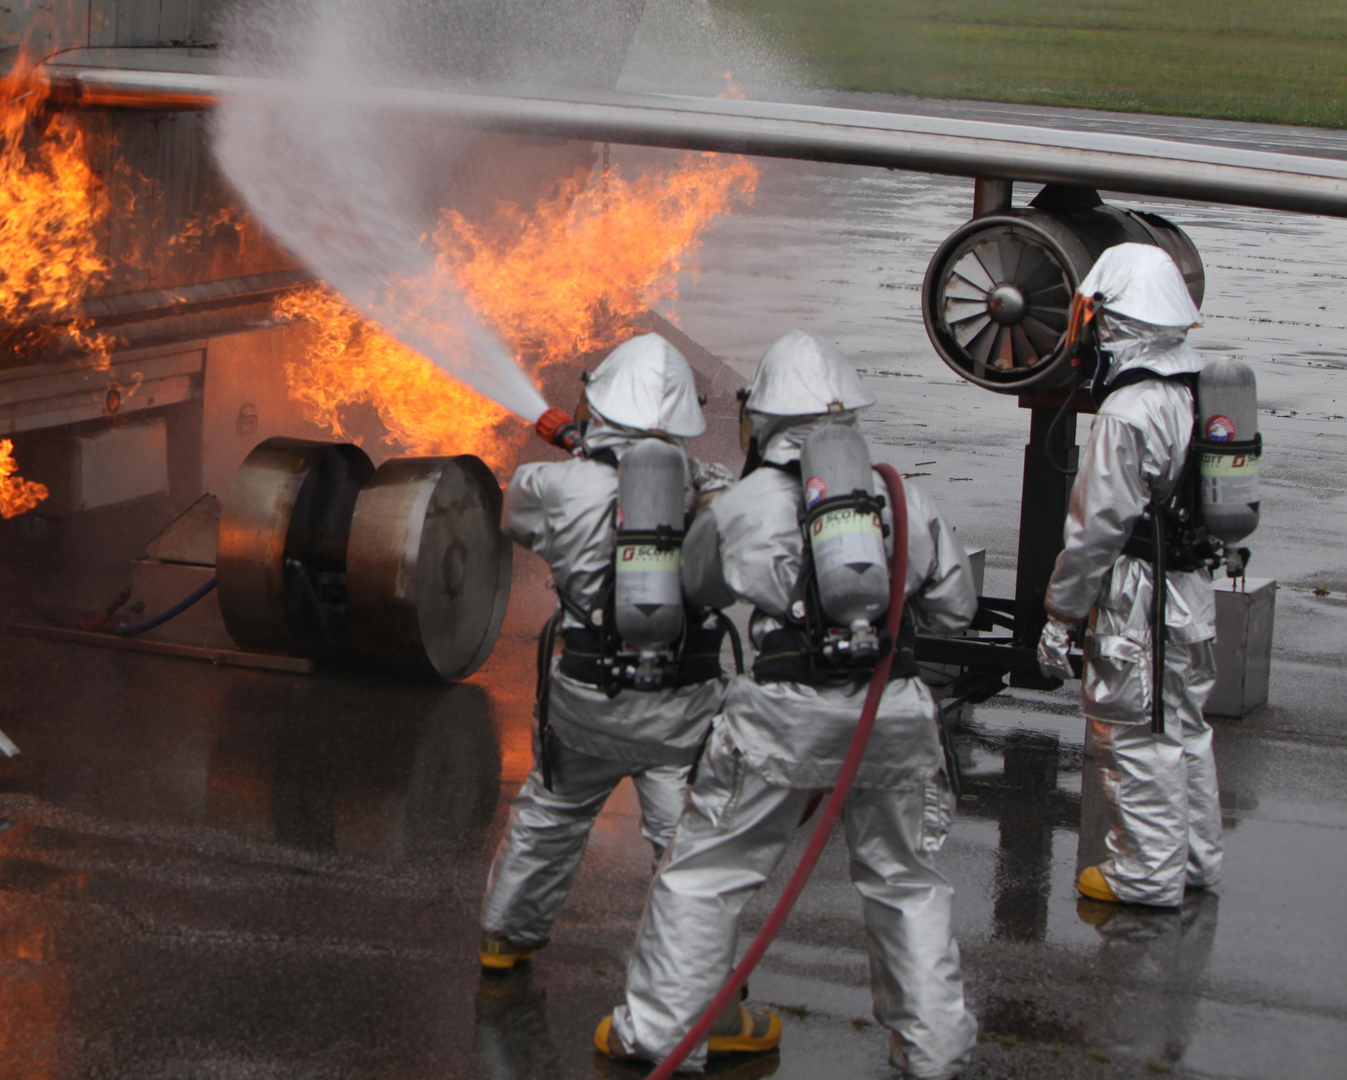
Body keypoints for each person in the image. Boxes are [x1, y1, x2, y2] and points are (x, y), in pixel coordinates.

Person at [598, 329, 979, 1078]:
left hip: (781, 716)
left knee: (707, 873)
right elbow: (956, 609)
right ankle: (934, 1052)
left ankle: (661, 1034)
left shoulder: (748, 504)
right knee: (905, 882)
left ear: (763, 419)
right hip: (891, 711)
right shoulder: (902, 499)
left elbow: (695, 588)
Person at [478, 333, 736, 983]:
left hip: (587, 699)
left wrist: (580, 450)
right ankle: (695, 982)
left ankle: (506, 940)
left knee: (550, 814)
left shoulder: (551, 484)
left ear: (602, 406)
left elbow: (521, 521)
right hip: (681, 710)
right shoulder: (711, 491)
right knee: (685, 846)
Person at [1037, 243, 1221, 909]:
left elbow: (1095, 532)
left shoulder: (1128, 411)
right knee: (1185, 728)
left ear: (1112, 318)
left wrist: (1061, 614)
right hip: (1191, 591)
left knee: (1135, 734)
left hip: (1139, 595)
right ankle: (1193, 861)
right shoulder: (1196, 385)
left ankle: (1144, 875)